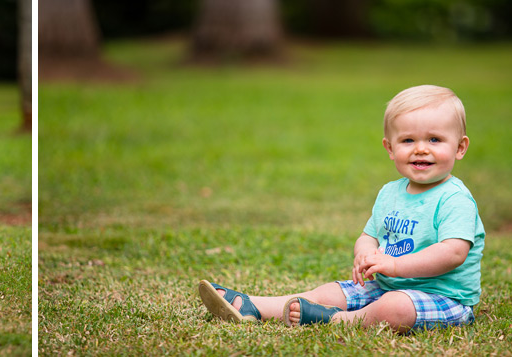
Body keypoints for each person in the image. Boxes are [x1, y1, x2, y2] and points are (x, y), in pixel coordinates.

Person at [198, 85, 485, 333]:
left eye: (434, 140)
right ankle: (254, 306)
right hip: (387, 285)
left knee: (394, 308)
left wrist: (395, 265)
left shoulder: (454, 198)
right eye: (408, 140)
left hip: (443, 297)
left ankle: (340, 321)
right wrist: (365, 253)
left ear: (460, 148)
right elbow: (369, 235)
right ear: (389, 148)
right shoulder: (390, 193)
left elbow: (453, 253)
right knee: (328, 292)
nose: (421, 149)